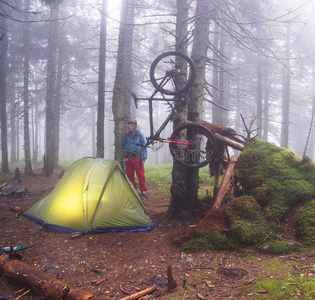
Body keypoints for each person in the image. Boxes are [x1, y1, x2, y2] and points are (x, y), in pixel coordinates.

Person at [122, 119, 148, 197]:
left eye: (133, 124)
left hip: (138, 158)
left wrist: (144, 158)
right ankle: (133, 189)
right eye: (130, 124)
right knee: (130, 175)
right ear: (128, 126)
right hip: (129, 158)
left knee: (141, 175)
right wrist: (124, 156)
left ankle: (143, 190)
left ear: (135, 125)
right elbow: (123, 146)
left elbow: (144, 147)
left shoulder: (140, 135)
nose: (131, 126)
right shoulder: (126, 135)